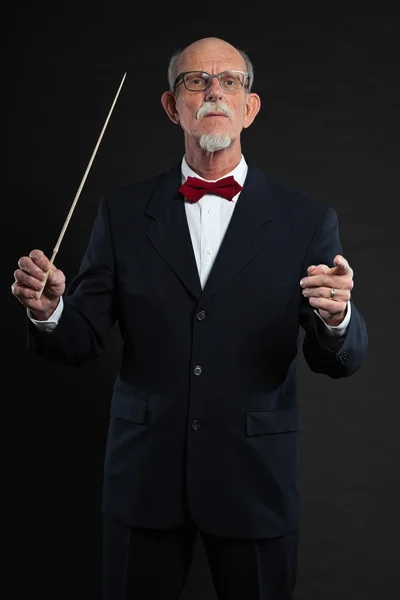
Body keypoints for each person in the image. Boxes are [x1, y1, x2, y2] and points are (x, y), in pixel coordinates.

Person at [12, 37, 368, 600]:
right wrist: (51, 310)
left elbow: (338, 361)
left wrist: (337, 317)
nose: (212, 92)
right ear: (171, 106)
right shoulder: (122, 212)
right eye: (195, 81)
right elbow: (78, 340)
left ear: (249, 108)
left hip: (255, 482)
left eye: (230, 82)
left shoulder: (307, 220)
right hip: (143, 481)